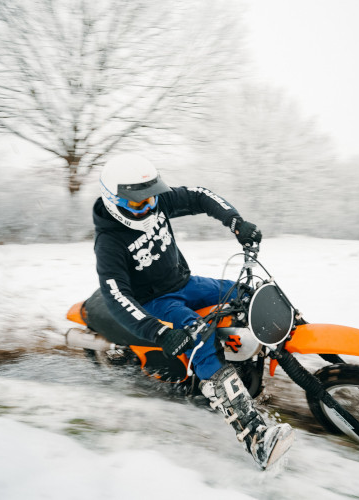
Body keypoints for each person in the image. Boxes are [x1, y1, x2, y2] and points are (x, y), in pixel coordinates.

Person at [93, 152, 294, 470]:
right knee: (200, 336)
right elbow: (115, 295)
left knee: (248, 293)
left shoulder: (155, 203)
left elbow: (199, 196)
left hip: (185, 282)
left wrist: (235, 222)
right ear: (113, 199)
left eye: (152, 197)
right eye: (137, 203)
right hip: (156, 302)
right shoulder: (109, 242)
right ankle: (255, 437)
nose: (148, 206)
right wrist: (158, 330)